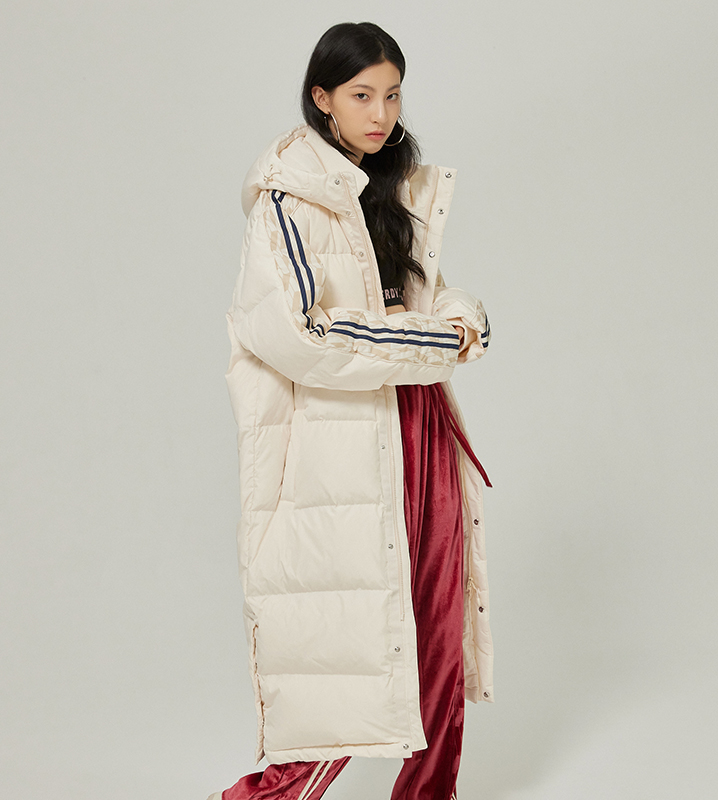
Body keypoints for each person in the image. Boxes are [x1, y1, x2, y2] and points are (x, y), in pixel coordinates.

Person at [211, 21, 493, 800]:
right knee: (347, 647)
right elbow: (301, 335)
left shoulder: (392, 191)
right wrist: (439, 339)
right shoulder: (288, 202)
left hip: (421, 424)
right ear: (322, 98)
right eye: (362, 95)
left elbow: (430, 300)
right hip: (343, 439)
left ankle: (429, 793)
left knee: (436, 623)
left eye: (393, 95)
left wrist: (460, 319)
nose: (381, 113)